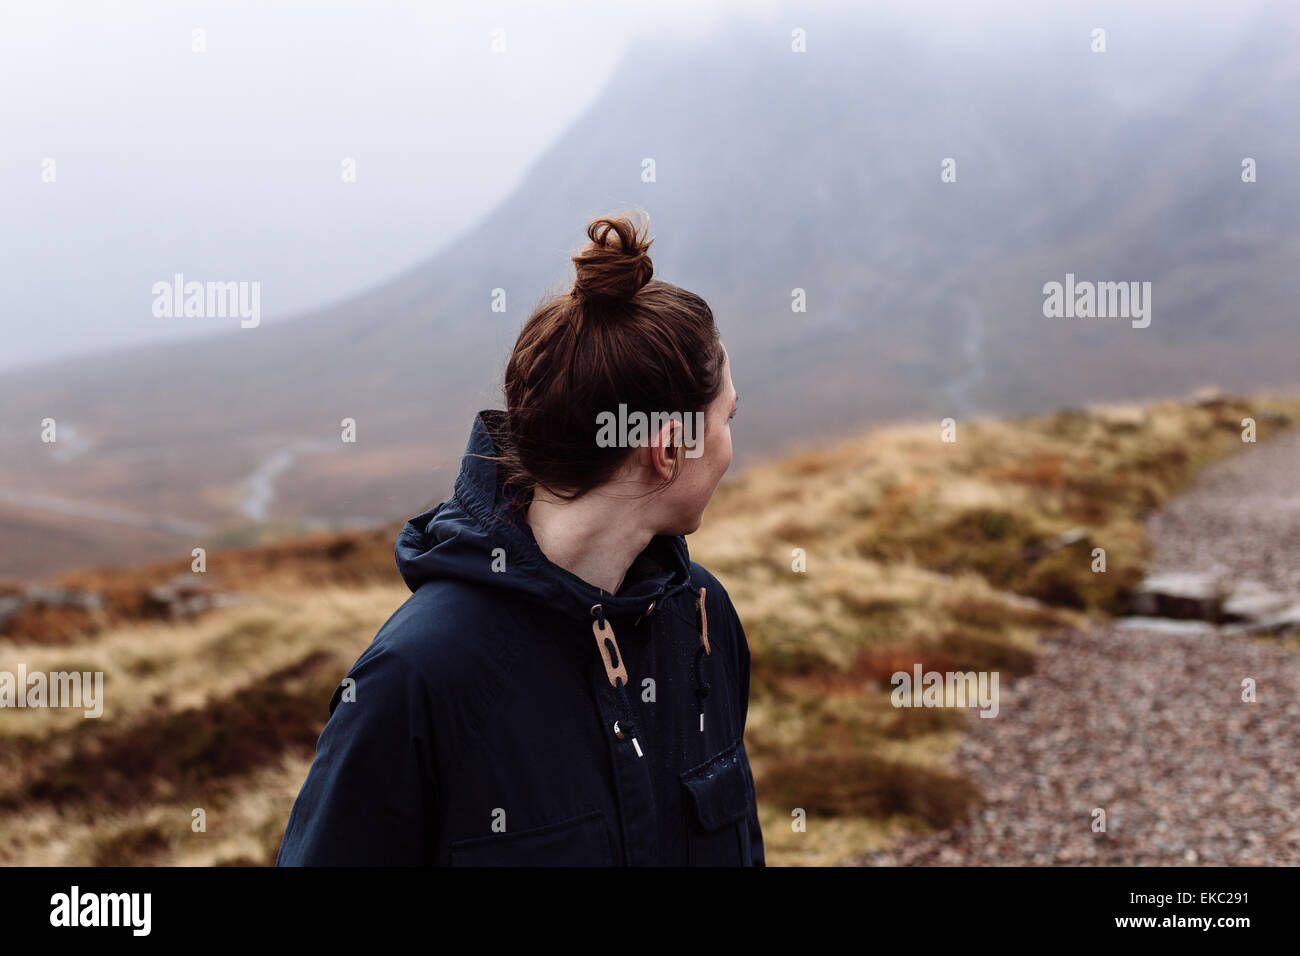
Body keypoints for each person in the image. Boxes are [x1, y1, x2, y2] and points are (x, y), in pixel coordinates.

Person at [276, 210, 763, 866]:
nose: (732, 442)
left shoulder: (704, 618)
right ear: (668, 448)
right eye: (726, 417)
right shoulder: (414, 681)